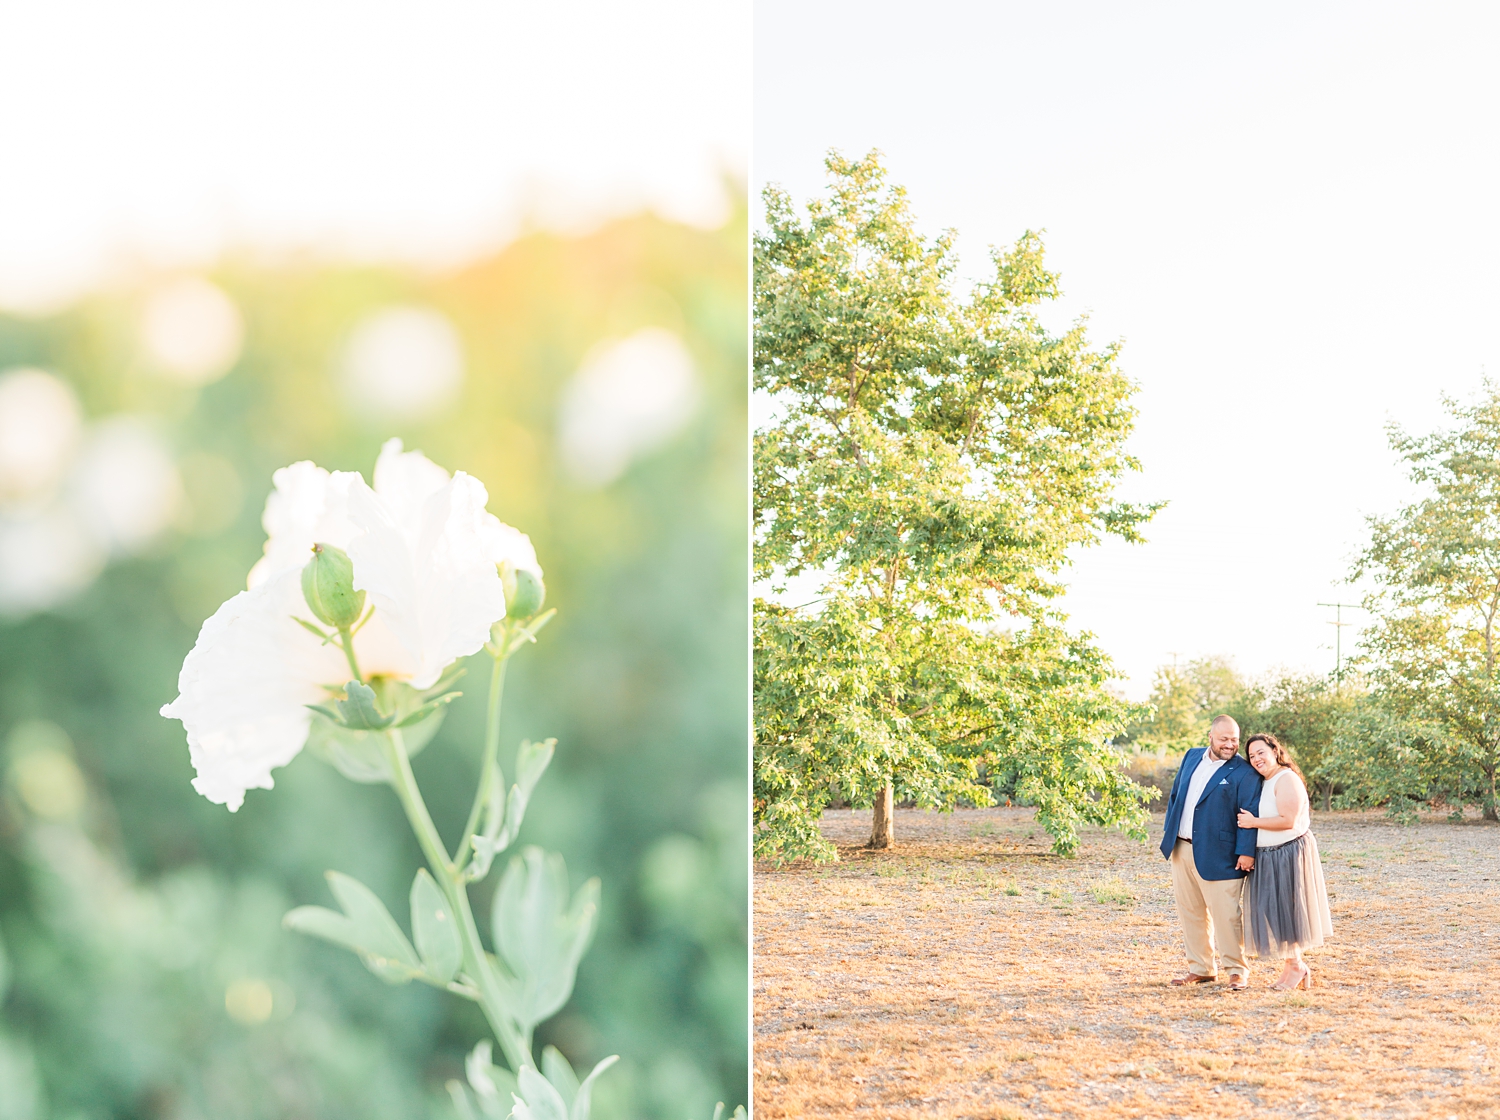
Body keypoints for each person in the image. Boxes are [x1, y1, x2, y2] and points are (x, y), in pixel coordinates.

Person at [1158, 715, 1264, 990]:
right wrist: (1170, 835)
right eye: (1224, 739)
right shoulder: (1191, 757)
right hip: (1182, 848)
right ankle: (1201, 968)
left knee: (1227, 915)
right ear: (1210, 737)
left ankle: (1237, 971)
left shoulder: (1245, 772)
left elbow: (1249, 813)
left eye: (1234, 739)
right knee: (1190, 912)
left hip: (1223, 853)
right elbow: (1175, 798)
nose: (1230, 745)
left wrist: (1246, 852)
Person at [1236, 732, 1333, 990]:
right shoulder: (1264, 782)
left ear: (1275, 751)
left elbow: (1288, 820)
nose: (1256, 759)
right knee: (1273, 913)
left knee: (1288, 913)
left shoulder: (1286, 778)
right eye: (1252, 755)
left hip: (1288, 852)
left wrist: (1253, 822)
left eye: (1261, 753)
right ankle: (1294, 965)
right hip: (1267, 854)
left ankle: (1296, 966)